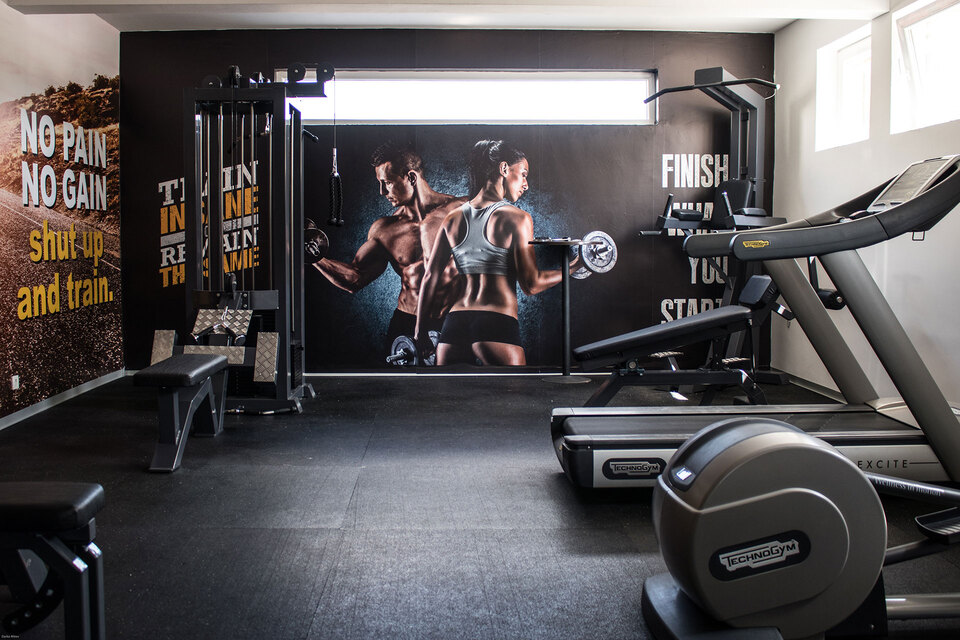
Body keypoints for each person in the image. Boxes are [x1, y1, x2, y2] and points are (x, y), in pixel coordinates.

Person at [414, 140, 573, 366]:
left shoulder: (452, 218)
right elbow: (531, 285)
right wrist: (575, 267)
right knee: (516, 390)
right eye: (523, 174)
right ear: (504, 168)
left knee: (451, 391)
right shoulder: (517, 218)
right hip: (496, 323)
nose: (526, 184)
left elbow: (430, 277)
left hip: (454, 326)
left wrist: (420, 332)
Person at [311, 143, 466, 356]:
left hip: (453, 322)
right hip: (406, 322)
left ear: (411, 177)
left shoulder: (461, 212)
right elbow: (355, 278)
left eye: (388, 183)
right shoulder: (385, 230)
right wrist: (315, 257)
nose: (382, 191)